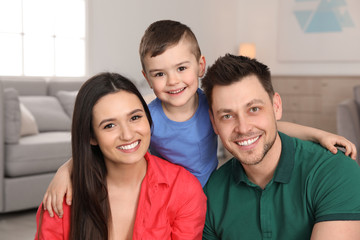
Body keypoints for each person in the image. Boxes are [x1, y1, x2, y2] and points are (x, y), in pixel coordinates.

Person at [42, 20, 356, 218]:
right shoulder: (147, 118)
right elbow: (109, 148)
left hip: (210, 192)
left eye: (181, 68)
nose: (173, 81)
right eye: (160, 74)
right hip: (165, 196)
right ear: (147, 79)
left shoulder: (212, 107)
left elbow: (271, 126)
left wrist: (317, 135)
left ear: (200, 65)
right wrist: (64, 170)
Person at [201, 54, 360, 239]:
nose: (243, 128)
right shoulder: (213, 192)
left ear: (276, 106)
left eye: (254, 109)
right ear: (213, 122)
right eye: (227, 116)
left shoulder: (334, 171)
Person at [35, 72, 206, 240]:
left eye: (135, 117)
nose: (127, 135)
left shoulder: (183, 189)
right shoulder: (61, 198)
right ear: (91, 137)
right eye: (109, 125)